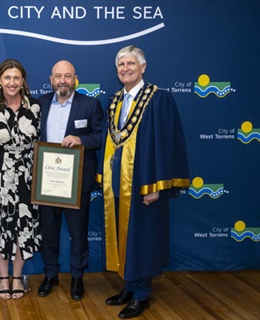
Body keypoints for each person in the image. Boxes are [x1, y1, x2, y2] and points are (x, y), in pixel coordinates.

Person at [97, 45, 189, 319]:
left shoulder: (158, 99)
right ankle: (130, 285)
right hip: (118, 180)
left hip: (144, 182)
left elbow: (165, 145)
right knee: (125, 234)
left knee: (144, 237)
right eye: (121, 65)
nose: (125, 69)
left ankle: (142, 295)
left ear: (143, 67)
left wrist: (156, 185)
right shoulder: (114, 101)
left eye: (130, 64)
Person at [37, 60, 103, 301]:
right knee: (49, 232)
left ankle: (77, 277)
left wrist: (80, 140)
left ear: (76, 79)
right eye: (58, 76)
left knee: (78, 233)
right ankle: (50, 274)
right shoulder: (41, 103)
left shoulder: (90, 104)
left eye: (67, 76)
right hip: (46, 180)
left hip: (76, 182)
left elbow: (100, 137)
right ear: (51, 79)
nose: (62, 80)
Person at [0, 59, 41, 300]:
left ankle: (18, 277)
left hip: (28, 177)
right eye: (7, 78)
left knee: (23, 227)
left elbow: (42, 146)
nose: (12, 82)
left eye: (16, 78)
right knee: (0, 227)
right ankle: (3, 277)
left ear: (22, 80)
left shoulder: (35, 107)